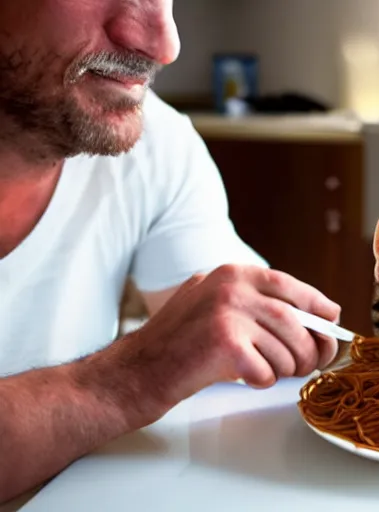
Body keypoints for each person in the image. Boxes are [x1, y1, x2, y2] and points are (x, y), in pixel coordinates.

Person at [0, 0, 341, 505]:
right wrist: (128, 379)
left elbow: (241, 326)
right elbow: (160, 362)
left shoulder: (154, 143)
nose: (164, 44)